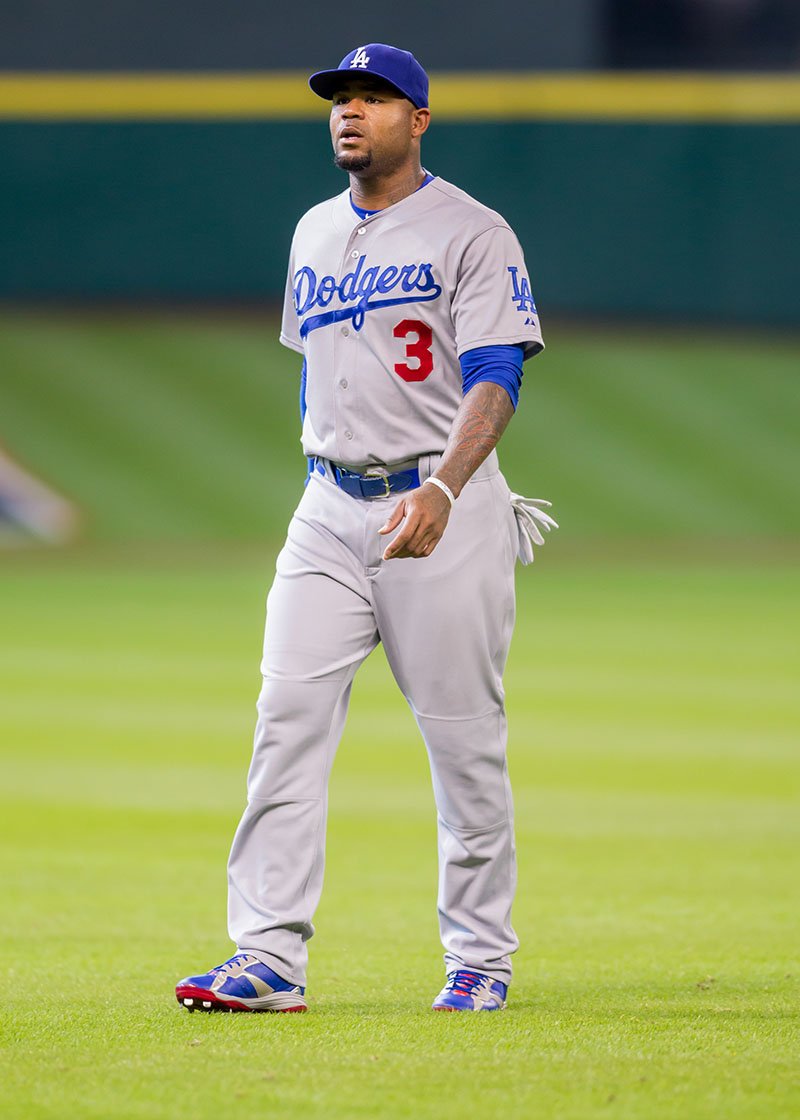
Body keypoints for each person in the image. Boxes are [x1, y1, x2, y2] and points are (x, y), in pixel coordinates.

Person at [176, 43, 556, 1016]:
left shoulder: (472, 231)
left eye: (374, 98)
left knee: (462, 741)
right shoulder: (311, 230)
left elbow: (496, 375)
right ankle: (265, 956)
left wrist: (446, 488)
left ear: (417, 119)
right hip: (325, 511)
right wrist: (327, 467)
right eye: (340, 99)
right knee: (283, 726)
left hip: (442, 503)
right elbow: (315, 366)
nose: (350, 112)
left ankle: (479, 957)